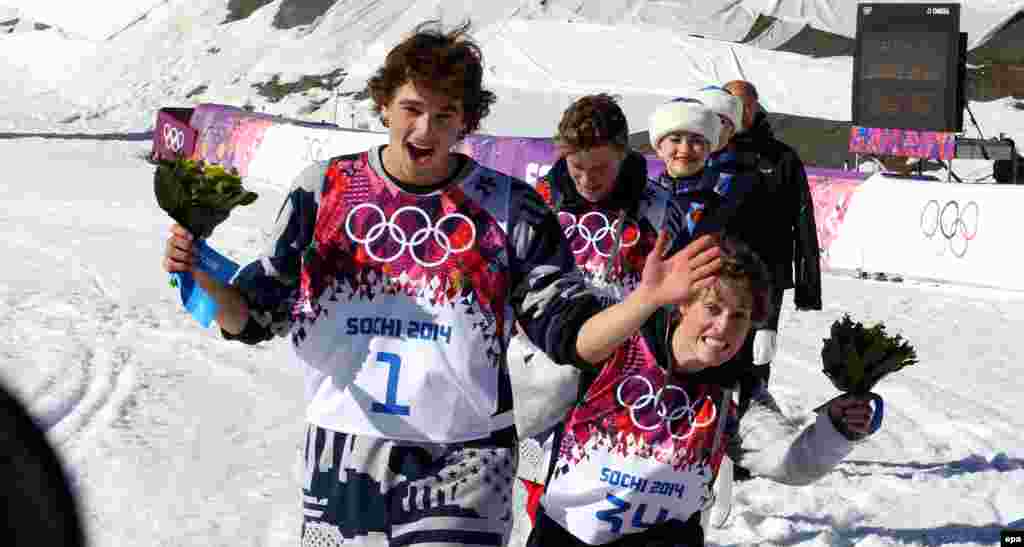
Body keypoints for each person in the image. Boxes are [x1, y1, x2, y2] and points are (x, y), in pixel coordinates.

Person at [163, 20, 609, 547]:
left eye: (445, 115)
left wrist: (649, 304)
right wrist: (199, 275)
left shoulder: (512, 206)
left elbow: (566, 326)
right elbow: (255, 317)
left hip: (467, 456)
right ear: (383, 105)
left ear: (467, 121)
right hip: (345, 449)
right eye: (412, 109)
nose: (425, 130)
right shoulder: (323, 188)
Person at [526, 235, 881, 547]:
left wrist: (836, 430)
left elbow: (789, 461)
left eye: (739, 316)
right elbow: (520, 407)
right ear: (682, 304)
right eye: (712, 308)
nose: (724, 326)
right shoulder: (615, 348)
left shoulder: (734, 390)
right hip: (566, 534)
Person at [516, 93, 687, 524]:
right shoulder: (539, 203)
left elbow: (682, 293)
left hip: (626, 375)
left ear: (624, 154)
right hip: (547, 370)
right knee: (545, 500)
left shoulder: (660, 208)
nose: (589, 180)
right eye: (577, 169)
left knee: (611, 500)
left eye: (601, 169)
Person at [720, 80, 822, 431]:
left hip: (766, 282)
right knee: (711, 357)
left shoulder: (782, 158)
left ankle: (748, 443)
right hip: (714, 276)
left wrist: (808, 287)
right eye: (734, 104)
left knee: (756, 363)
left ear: (757, 107)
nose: (742, 112)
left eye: (748, 105)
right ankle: (707, 441)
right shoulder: (708, 152)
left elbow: (803, 222)